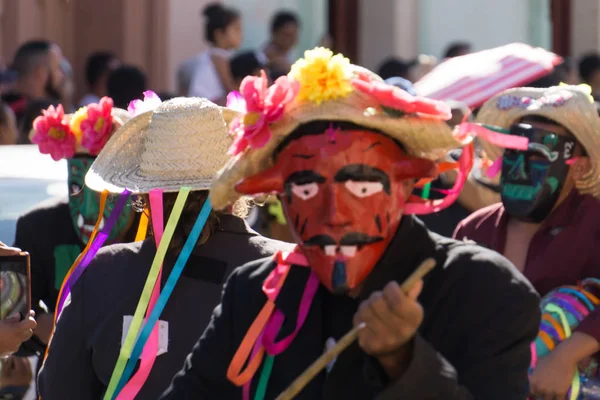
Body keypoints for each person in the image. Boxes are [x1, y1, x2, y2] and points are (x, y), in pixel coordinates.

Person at [161, 47, 539, 399]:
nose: (333, 214)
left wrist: (405, 361)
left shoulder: (483, 290)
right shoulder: (255, 292)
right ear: (281, 194)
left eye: (360, 185)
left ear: (406, 184)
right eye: (306, 188)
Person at [38, 97, 293, 399]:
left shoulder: (103, 274)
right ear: (236, 185)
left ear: (144, 194)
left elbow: (59, 388)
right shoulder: (286, 271)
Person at [453, 85, 600, 399]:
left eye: (537, 157)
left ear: (581, 165)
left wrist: (565, 356)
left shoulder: (595, 223)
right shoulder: (473, 229)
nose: (518, 169)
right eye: (513, 153)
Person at [13, 98, 136, 353]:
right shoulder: (38, 230)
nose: (90, 210)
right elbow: (15, 331)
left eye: (107, 192)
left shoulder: (162, 232)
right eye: (76, 188)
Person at [2, 41, 65, 142]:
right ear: (41, 73)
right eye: (57, 68)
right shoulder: (7, 115)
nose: (61, 76)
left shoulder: (6, 105)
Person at [188, 4, 242, 104]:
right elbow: (228, 87)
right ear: (219, 34)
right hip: (204, 104)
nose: (241, 34)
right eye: (236, 29)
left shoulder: (220, 55)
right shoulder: (218, 56)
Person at [262, 10, 300, 79]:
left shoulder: (286, 54)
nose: (289, 39)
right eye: (285, 35)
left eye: (293, 34)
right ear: (274, 33)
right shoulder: (269, 55)